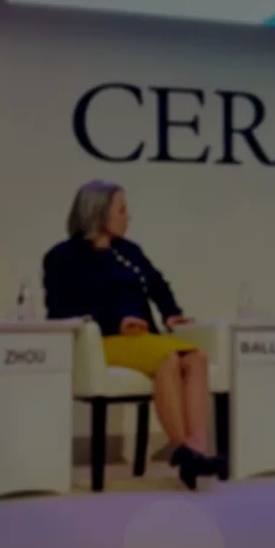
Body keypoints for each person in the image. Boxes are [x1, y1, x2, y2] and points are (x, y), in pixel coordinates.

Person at [43, 180, 223, 489]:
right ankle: (184, 451)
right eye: (121, 210)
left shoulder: (129, 251)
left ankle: (194, 449)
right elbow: (60, 309)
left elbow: (157, 285)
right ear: (98, 213)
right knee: (168, 358)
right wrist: (115, 321)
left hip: (144, 339)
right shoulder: (63, 256)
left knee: (196, 357)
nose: (128, 217)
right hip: (104, 341)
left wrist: (170, 313)